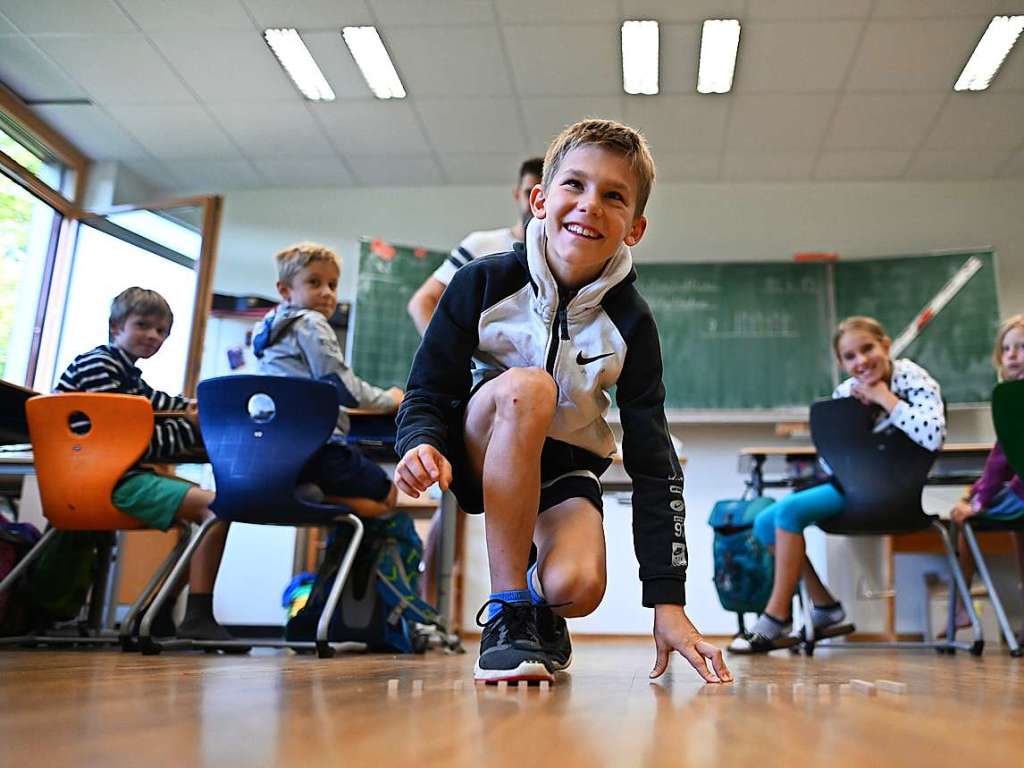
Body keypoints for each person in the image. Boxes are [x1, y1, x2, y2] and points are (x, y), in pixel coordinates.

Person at [394, 119, 730, 685]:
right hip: (485, 446)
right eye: (574, 185)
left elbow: (652, 460)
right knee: (530, 389)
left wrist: (667, 603)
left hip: (565, 469)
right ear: (539, 200)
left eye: (614, 195)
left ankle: (537, 602)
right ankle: (507, 611)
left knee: (576, 588)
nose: (590, 205)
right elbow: (430, 386)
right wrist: (421, 442)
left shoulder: (633, 322)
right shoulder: (480, 283)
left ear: (635, 228)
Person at [733, 316, 946, 653]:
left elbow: (933, 436)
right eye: (850, 356)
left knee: (785, 510)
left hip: (897, 492)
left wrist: (884, 398)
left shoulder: (913, 378)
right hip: (853, 488)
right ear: (840, 362)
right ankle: (826, 607)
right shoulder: (844, 393)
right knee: (763, 524)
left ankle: (776, 617)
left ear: (886, 346)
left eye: (868, 349)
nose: (861, 361)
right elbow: (833, 459)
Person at [56, 287, 233, 641]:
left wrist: (189, 411)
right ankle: (192, 615)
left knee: (199, 519)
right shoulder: (100, 366)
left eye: (162, 331)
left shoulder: (127, 375)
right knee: (218, 507)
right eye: (143, 325)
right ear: (115, 326)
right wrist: (189, 426)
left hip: (108, 477)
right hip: (102, 481)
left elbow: (159, 403)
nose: (153, 336)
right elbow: (126, 444)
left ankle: (158, 613)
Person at [407, 156, 542, 606]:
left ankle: (533, 602)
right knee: (452, 504)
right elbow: (423, 302)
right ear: (522, 195)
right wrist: (453, 357)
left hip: (541, 403)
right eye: (529, 190)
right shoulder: (484, 248)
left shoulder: (568, 256)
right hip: (483, 399)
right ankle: (430, 604)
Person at [253, 241, 402, 518]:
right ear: (285, 290)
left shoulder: (265, 329)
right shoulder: (312, 323)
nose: (326, 293)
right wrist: (390, 400)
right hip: (317, 449)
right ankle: (320, 500)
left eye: (332, 285)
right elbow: (342, 387)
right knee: (389, 495)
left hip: (272, 449)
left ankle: (314, 499)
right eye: (314, 282)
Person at [948, 314, 1024, 643]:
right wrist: (977, 492)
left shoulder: (1011, 399)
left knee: (963, 518)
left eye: (1022, 347)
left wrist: (976, 502)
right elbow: (1003, 461)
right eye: (1006, 348)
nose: (1012, 355)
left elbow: (1000, 461)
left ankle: (963, 606)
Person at [406, 157, 543, 335]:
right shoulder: (480, 245)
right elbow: (422, 301)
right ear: (517, 195)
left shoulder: (560, 258)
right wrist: (447, 358)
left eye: (544, 196)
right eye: (529, 193)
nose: (536, 204)